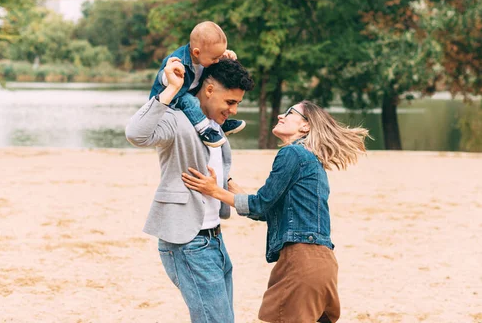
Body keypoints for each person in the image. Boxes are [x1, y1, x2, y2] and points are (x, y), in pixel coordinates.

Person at [182, 100, 370, 323]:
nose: (281, 115)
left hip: (302, 260)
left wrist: (214, 190)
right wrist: (226, 183)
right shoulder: (311, 160)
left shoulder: (292, 154)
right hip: (323, 264)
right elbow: (266, 210)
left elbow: (260, 204)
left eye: (290, 113)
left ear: (305, 126)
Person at [126, 57, 254, 323]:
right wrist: (171, 90)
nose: (234, 110)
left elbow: (219, 169)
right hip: (188, 241)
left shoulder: (215, 126)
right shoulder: (176, 119)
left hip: (215, 239)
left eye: (238, 104)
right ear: (209, 90)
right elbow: (136, 134)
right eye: (230, 102)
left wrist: (236, 193)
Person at [149, 21, 245, 147]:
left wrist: (226, 56)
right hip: (172, 99)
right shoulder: (179, 60)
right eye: (214, 58)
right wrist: (171, 75)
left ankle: (220, 124)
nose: (217, 61)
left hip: (189, 92)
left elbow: (215, 62)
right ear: (196, 53)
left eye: (219, 56)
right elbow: (162, 79)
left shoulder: (205, 56)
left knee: (206, 101)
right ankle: (205, 130)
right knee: (191, 101)